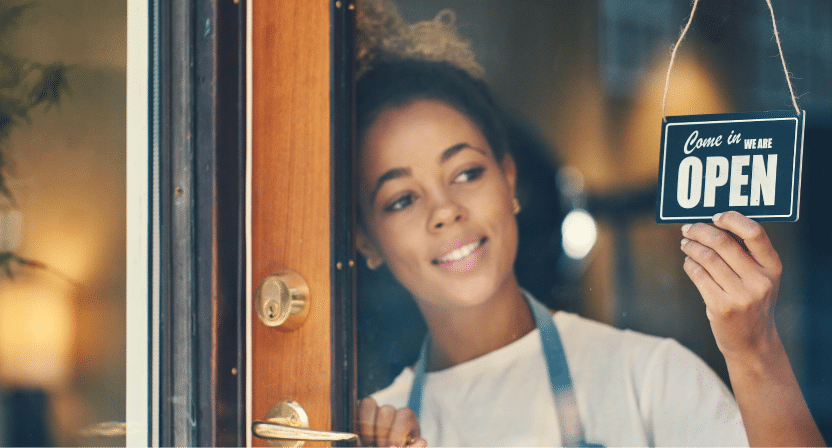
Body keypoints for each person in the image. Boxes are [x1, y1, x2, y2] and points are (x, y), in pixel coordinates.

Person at [353, 1, 825, 446]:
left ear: (509, 180)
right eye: (401, 200)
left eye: (467, 172)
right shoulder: (378, 429)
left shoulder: (647, 376)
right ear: (365, 241)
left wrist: (754, 349)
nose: (445, 210)